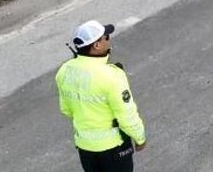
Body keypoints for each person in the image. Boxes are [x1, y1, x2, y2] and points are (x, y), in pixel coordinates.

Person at [55, 20, 147, 172]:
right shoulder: (111, 76)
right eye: (106, 38)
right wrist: (140, 138)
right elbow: (127, 115)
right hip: (113, 148)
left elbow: (66, 110)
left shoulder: (64, 71)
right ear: (96, 46)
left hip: (85, 148)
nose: (109, 40)